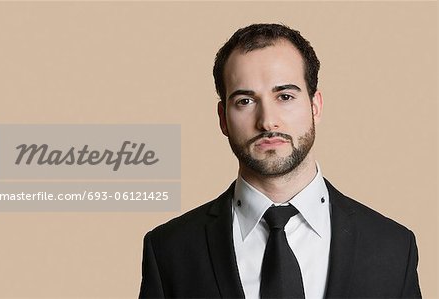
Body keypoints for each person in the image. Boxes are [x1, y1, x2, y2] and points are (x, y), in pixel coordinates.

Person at [138, 23, 421, 299]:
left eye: (285, 96)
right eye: (245, 101)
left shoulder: (393, 247)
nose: (267, 120)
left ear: (315, 106)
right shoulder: (169, 250)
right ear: (223, 118)